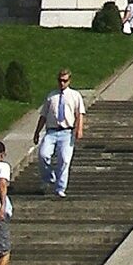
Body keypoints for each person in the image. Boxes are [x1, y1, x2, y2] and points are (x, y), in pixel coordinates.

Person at [34, 69, 86, 198]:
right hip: (51, 131)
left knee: (64, 159)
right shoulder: (52, 96)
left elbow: (79, 114)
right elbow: (43, 115)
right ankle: (49, 178)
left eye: (65, 81)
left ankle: (61, 187)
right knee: (43, 155)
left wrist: (79, 129)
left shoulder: (75, 95)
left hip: (67, 132)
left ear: (69, 81)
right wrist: (37, 132)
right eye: (60, 81)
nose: (62, 83)